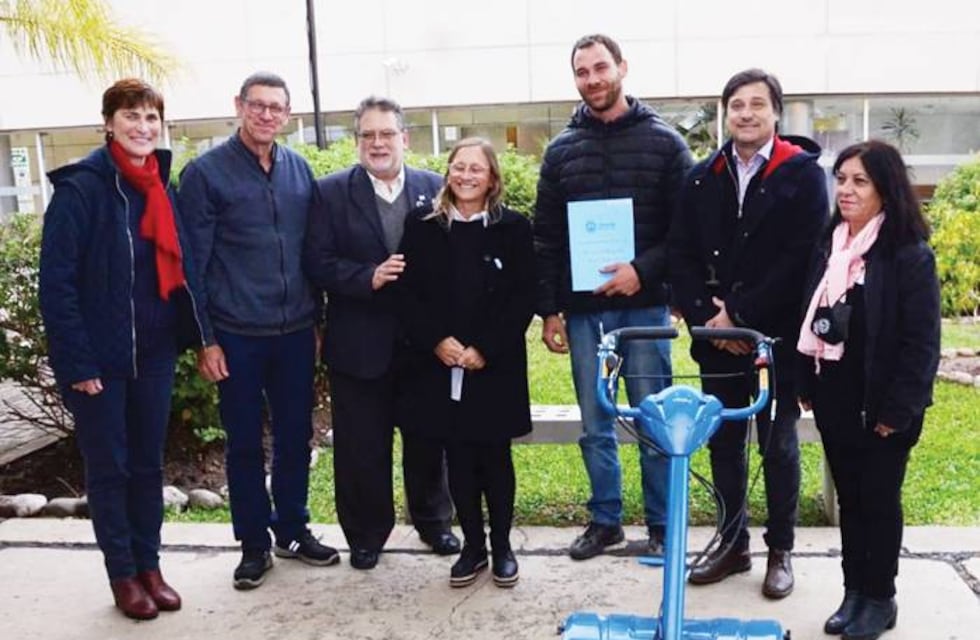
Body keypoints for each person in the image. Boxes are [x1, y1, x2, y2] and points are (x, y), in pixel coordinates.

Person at [39, 78, 206, 619]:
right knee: (110, 469)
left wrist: (197, 337)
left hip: (153, 353)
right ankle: (123, 575)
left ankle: (151, 565)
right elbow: (57, 286)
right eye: (131, 116)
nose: (143, 127)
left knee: (147, 467)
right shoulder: (81, 189)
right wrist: (78, 362)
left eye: (151, 117)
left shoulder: (160, 185)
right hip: (100, 363)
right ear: (109, 123)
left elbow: (182, 271)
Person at [669, 68, 829, 599]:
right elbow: (681, 255)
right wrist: (709, 318)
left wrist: (740, 313)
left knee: (778, 444)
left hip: (776, 337)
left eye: (757, 104)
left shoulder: (803, 174)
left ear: (776, 112)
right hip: (715, 336)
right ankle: (733, 543)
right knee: (723, 440)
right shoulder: (700, 176)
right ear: (725, 113)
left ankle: (780, 550)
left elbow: (802, 256)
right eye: (736, 105)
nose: (746, 113)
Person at [533, 33, 693, 561]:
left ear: (622, 67)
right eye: (582, 72)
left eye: (601, 68)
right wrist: (549, 309)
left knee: (652, 416)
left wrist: (641, 272)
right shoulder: (559, 152)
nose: (593, 79)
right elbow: (547, 238)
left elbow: (685, 231)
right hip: (584, 315)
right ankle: (605, 521)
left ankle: (663, 524)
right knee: (595, 419)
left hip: (643, 308)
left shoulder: (665, 144)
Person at [177, 71, 339, 590]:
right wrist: (205, 338)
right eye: (258, 106)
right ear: (239, 107)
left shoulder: (298, 170)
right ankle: (253, 544)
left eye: (276, 108)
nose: (267, 115)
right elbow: (191, 266)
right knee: (244, 443)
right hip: (236, 336)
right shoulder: (205, 175)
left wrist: (316, 320)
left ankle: (291, 528)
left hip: (294, 332)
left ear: (287, 115)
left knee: (296, 436)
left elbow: (311, 255)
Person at [303, 96, 459, 571]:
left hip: (424, 347)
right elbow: (316, 262)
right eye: (368, 135)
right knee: (361, 448)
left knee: (428, 441)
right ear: (357, 143)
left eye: (387, 134)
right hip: (360, 345)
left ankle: (434, 522)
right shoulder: (329, 193)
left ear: (404, 139)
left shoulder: (437, 189)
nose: (378, 143)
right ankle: (367, 535)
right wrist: (365, 277)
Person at [797, 140, 940, 640]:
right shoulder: (830, 244)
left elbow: (922, 343)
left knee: (879, 501)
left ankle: (881, 597)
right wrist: (804, 380)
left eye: (860, 181)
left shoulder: (907, 254)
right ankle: (854, 592)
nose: (846, 190)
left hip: (884, 406)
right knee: (852, 502)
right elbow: (810, 317)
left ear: (885, 189)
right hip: (836, 397)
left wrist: (897, 410)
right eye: (841, 179)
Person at [395, 138, 534, 589]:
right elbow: (408, 293)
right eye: (459, 167)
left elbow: (521, 297)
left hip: (493, 366)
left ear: (492, 178)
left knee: (495, 458)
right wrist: (437, 341)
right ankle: (472, 546)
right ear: (447, 173)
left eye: (477, 169)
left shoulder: (513, 228)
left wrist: (484, 349)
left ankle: (502, 548)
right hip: (438, 364)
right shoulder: (422, 225)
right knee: (457, 458)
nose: (466, 176)